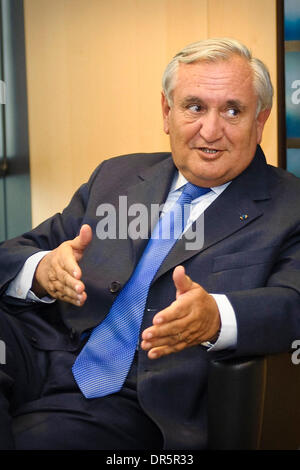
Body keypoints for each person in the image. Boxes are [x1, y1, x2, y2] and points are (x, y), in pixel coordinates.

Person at [0, 37, 300, 450]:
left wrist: (215, 316)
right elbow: (15, 252)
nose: (210, 131)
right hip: (36, 351)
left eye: (233, 110)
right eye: (195, 107)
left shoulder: (290, 206)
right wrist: (42, 269)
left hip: (134, 393)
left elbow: (292, 302)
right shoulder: (117, 176)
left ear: (260, 120)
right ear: (167, 112)